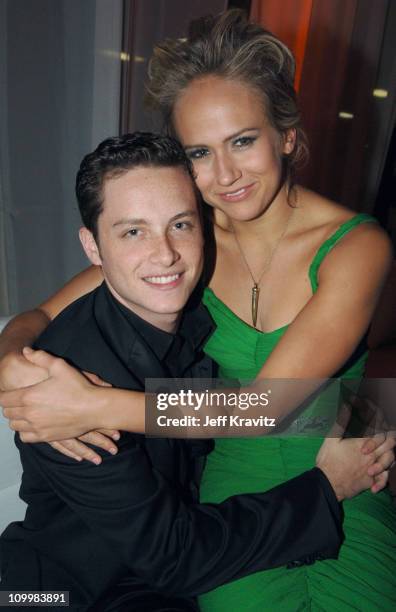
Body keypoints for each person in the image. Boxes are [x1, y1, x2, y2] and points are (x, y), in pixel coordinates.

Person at [0, 9, 395, 610]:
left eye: (242, 141)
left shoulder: (356, 245)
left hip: (338, 462)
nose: (226, 174)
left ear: (285, 135)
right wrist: (8, 361)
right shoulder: (183, 241)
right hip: (227, 482)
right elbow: (37, 319)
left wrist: (93, 404)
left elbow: (274, 403)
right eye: (200, 153)